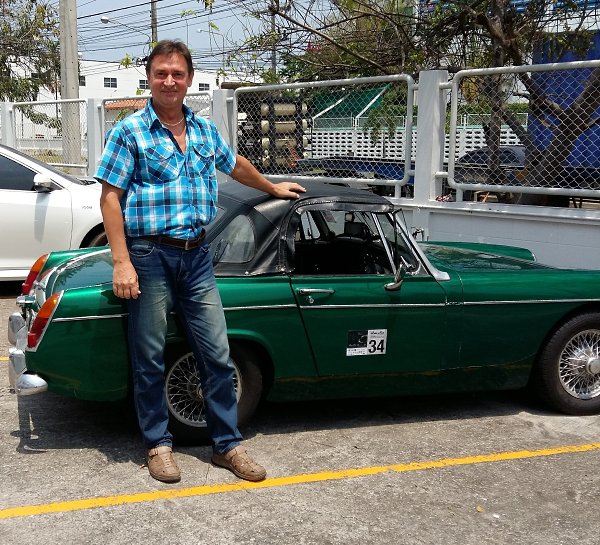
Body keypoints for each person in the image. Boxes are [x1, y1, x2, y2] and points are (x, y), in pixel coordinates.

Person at [96, 39, 305, 484]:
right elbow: (110, 198)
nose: (169, 81)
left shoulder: (205, 130)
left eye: (177, 73)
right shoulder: (129, 131)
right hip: (149, 256)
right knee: (150, 355)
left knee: (217, 353)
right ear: (149, 79)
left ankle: (227, 445)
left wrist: (271, 188)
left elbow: (235, 165)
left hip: (197, 257)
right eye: (161, 73)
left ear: (189, 79)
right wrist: (121, 262)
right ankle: (158, 444)